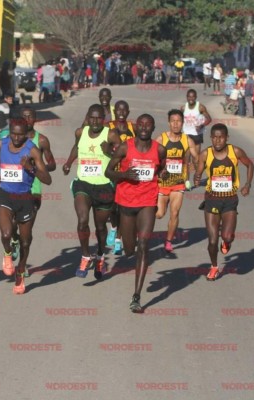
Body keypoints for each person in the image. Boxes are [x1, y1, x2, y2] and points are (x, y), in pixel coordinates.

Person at [105, 114, 167, 313]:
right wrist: (124, 174)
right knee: (130, 249)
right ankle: (124, 243)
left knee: (143, 245)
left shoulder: (159, 149)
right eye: (140, 124)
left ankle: (136, 296)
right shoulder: (125, 147)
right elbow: (108, 171)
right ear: (136, 126)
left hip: (148, 201)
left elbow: (162, 168)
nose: (144, 127)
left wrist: (162, 174)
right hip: (126, 202)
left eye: (148, 125)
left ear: (153, 127)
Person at [0, 119, 52, 294]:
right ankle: (8, 253)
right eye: (13, 133)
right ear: (9, 132)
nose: (16, 137)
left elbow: (47, 179)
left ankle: (20, 272)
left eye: (20, 134)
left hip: (25, 199)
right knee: (6, 233)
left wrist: (30, 168)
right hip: (5, 195)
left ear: (26, 134)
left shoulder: (31, 150)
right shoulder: (1, 144)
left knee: (25, 242)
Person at [63, 104, 121, 280]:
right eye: (92, 118)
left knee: (101, 227)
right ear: (87, 117)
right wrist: (68, 162)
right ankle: (85, 255)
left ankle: (101, 256)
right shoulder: (80, 132)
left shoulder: (110, 134)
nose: (95, 121)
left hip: (104, 186)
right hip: (84, 184)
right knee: (82, 220)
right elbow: (77, 147)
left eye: (99, 118)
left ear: (104, 119)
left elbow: (122, 155)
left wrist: (109, 151)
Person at [193, 124, 254, 281]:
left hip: (229, 200)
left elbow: (250, 164)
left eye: (221, 137)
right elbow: (198, 172)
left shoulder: (236, 152)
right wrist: (197, 178)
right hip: (212, 199)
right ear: (211, 138)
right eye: (214, 137)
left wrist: (247, 185)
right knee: (212, 240)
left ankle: (226, 242)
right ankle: (214, 267)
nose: (217, 140)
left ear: (227, 138)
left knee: (227, 237)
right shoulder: (206, 154)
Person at [155, 109, 198, 253]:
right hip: (162, 183)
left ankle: (168, 241)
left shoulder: (187, 140)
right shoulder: (161, 139)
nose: (175, 124)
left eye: (178, 121)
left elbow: (197, 158)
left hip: (178, 183)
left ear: (182, 123)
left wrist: (194, 164)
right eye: (173, 121)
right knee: (159, 214)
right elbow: (151, 157)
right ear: (168, 122)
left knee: (174, 213)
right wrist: (158, 169)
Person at [105, 100, 136, 255]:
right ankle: (114, 227)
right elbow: (103, 147)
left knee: (124, 208)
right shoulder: (108, 128)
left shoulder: (133, 128)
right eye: (118, 110)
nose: (121, 113)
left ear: (128, 112)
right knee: (112, 206)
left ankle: (118, 240)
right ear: (114, 112)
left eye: (124, 110)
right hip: (113, 173)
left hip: (128, 174)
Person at [180, 89, 212, 158]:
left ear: (196, 97)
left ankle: (196, 168)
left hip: (197, 134)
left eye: (193, 97)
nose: (191, 99)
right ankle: (186, 168)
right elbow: (180, 120)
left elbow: (209, 119)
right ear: (186, 97)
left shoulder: (200, 107)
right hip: (186, 133)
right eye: (189, 97)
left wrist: (201, 125)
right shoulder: (183, 108)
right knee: (186, 156)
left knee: (196, 157)